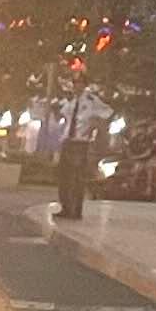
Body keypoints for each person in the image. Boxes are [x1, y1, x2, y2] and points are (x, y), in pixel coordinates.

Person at [54, 70, 104, 221]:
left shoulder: (91, 101)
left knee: (77, 178)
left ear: (85, 85)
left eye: (79, 83)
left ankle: (76, 210)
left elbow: (105, 114)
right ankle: (65, 207)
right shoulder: (71, 100)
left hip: (80, 142)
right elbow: (63, 115)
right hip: (68, 141)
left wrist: (93, 127)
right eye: (75, 83)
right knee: (64, 176)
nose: (76, 86)